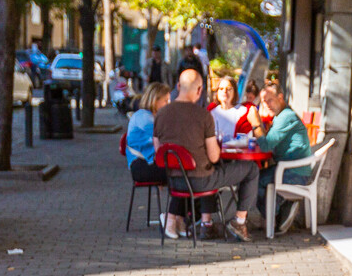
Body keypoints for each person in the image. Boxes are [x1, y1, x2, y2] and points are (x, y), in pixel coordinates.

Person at [155, 69, 259, 242]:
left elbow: (159, 151)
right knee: (251, 169)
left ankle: (206, 223)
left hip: (173, 180)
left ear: (178, 86)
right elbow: (214, 156)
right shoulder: (204, 115)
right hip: (200, 182)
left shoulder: (161, 114)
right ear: (199, 90)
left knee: (210, 168)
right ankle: (239, 221)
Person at [126, 83, 191, 238]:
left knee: (185, 172)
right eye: (165, 101)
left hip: (150, 164)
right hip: (141, 166)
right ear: (155, 100)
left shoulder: (152, 117)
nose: (168, 104)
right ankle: (172, 216)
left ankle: (179, 217)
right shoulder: (144, 117)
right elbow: (165, 137)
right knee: (182, 174)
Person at [247, 85, 313, 232]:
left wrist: (255, 124)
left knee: (254, 180)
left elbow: (265, 146)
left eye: (269, 100)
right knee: (258, 176)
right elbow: (269, 142)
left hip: (295, 173)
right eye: (263, 102)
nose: (266, 105)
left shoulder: (286, 117)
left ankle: (275, 217)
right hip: (293, 169)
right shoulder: (281, 116)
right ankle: (280, 210)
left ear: (280, 97)